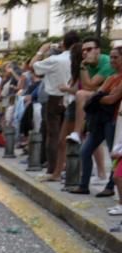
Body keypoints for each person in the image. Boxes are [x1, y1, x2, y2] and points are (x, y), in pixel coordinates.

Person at [68, 44, 122, 195]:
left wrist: (99, 97)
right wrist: (100, 97)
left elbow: (111, 99)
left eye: (116, 57)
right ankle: (83, 185)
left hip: (114, 121)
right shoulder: (111, 78)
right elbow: (96, 94)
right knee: (85, 151)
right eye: (111, 57)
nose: (112, 60)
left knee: (114, 154)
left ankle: (111, 187)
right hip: (100, 120)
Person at [31, 31, 81, 181]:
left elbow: (33, 66)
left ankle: (53, 169)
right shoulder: (79, 58)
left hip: (55, 98)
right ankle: (71, 168)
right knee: (72, 135)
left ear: (64, 43)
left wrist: (41, 50)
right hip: (73, 97)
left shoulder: (56, 59)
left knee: (53, 135)